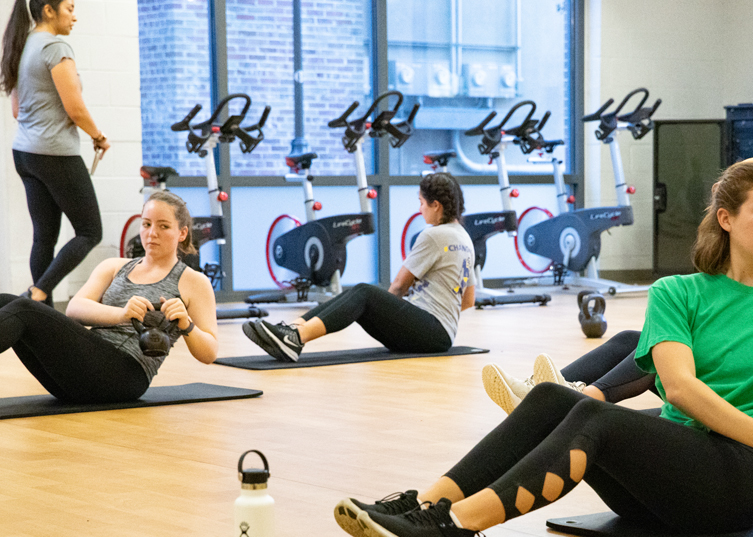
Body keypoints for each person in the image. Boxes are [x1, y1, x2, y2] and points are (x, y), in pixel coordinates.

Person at [334, 157, 753, 537]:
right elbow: (679, 389)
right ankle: (424, 507)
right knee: (551, 398)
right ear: (726, 219)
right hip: (660, 484)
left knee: (597, 416)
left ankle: (456, 531)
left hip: (734, 485)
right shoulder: (678, 293)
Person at [484, 233, 753, 414]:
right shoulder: (731, 257)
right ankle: (543, 392)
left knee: (662, 349)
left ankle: (567, 400)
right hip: (720, 364)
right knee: (633, 339)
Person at [0, 191, 218, 403]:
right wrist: (121, 314)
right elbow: (74, 309)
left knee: (23, 309)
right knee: (5, 300)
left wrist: (187, 325)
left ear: (182, 233)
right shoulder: (115, 266)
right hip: (84, 370)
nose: (152, 233)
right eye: (146, 224)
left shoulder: (194, 282)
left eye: (164, 226)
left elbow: (209, 353)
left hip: (124, 376)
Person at [243, 172, 475, 361]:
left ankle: (296, 337)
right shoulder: (464, 239)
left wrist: (388, 310)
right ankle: (291, 330)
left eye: (422, 203)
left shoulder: (433, 235)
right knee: (359, 296)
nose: (420, 209)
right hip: (441, 334)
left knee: (364, 292)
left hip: (429, 332)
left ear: (436, 205)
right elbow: (468, 301)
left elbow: (398, 286)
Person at [2, 0, 109, 307]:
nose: (75, 16)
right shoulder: (54, 48)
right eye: (70, 8)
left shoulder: (22, 45)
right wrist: (98, 137)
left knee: (44, 237)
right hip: (55, 154)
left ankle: (40, 314)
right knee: (89, 231)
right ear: (49, 10)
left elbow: (16, 110)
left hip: (25, 153)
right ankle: (38, 293)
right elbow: (74, 108)